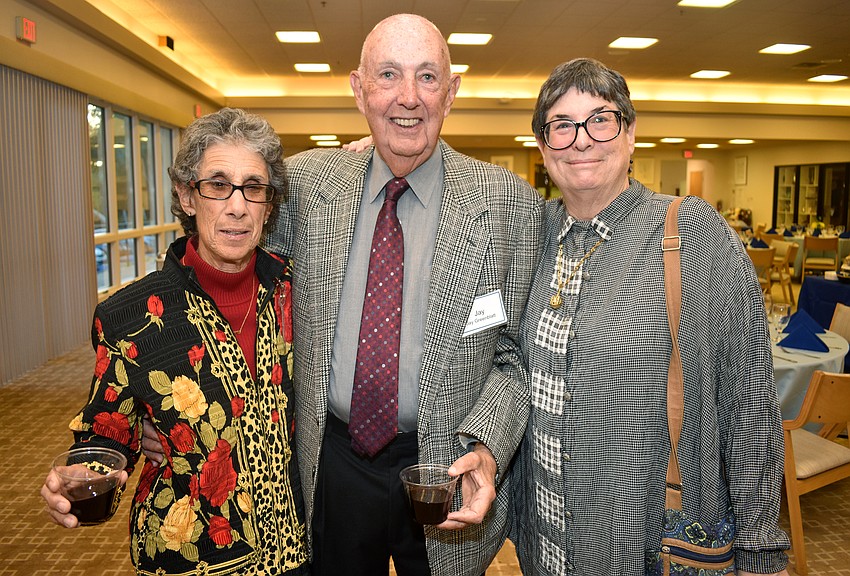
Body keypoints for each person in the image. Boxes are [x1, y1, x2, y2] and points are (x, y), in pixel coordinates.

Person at [269, 13, 543, 576]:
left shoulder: (508, 204)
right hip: (335, 460)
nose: (409, 97)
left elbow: (518, 354)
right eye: (389, 74)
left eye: (427, 76)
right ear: (359, 90)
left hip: (449, 467)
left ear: (451, 92)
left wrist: (487, 447)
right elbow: (225, 259)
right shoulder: (305, 186)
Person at [510, 58, 791, 575]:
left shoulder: (691, 233)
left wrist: (759, 547)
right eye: (561, 126)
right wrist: (385, 150)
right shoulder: (534, 233)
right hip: (544, 545)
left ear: (631, 132)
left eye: (600, 119)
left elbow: (749, 399)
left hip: (645, 544)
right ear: (543, 146)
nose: (581, 140)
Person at [41, 108, 308, 575]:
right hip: (186, 557)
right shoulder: (130, 316)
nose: (237, 206)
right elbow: (106, 432)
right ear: (187, 196)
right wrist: (83, 474)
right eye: (218, 185)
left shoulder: (298, 292)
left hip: (296, 553)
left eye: (253, 188)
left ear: (269, 206)